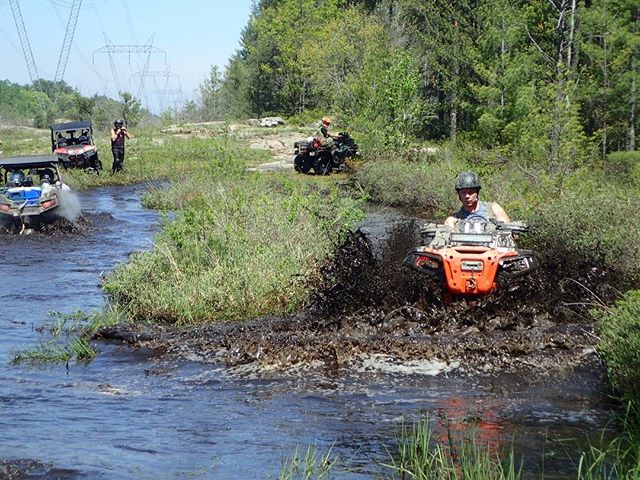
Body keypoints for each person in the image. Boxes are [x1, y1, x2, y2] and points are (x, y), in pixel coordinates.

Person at [444, 171, 510, 228]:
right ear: (459, 195)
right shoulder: (455, 218)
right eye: (463, 192)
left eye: (470, 192)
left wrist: (502, 224)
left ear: (477, 192)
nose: (467, 196)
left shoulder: (493, 209)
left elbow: (509, 232)